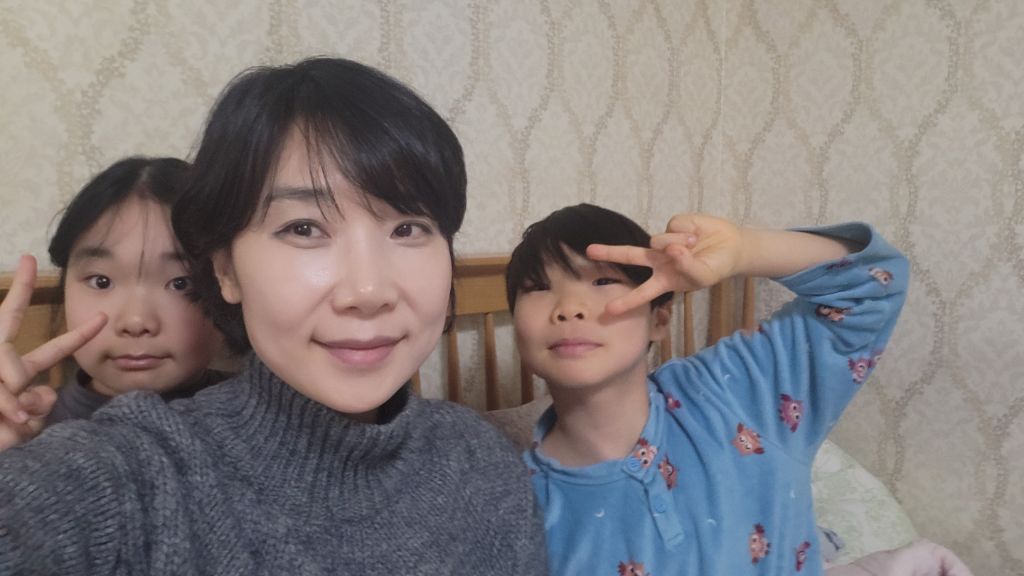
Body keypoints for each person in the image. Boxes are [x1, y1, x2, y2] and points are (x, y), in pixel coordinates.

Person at [0, 57, 546, 574]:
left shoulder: (480, 460)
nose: (368, 290)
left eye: (408, 228)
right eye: (303, 228)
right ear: (226, 270)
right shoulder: (138, 472)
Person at [505, 203, 909, 575]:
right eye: (537, 286)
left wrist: (745, 250)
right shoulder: (515, 508)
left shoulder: (736, 393)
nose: (568, 308)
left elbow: (873, 283)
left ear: (659, 320)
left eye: (603, 280)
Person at [0, 157, 226, 450]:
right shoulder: (24, 427)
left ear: (230, 287)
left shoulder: (264, 426)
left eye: (181, 283)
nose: (136, 322)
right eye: (101, 282)